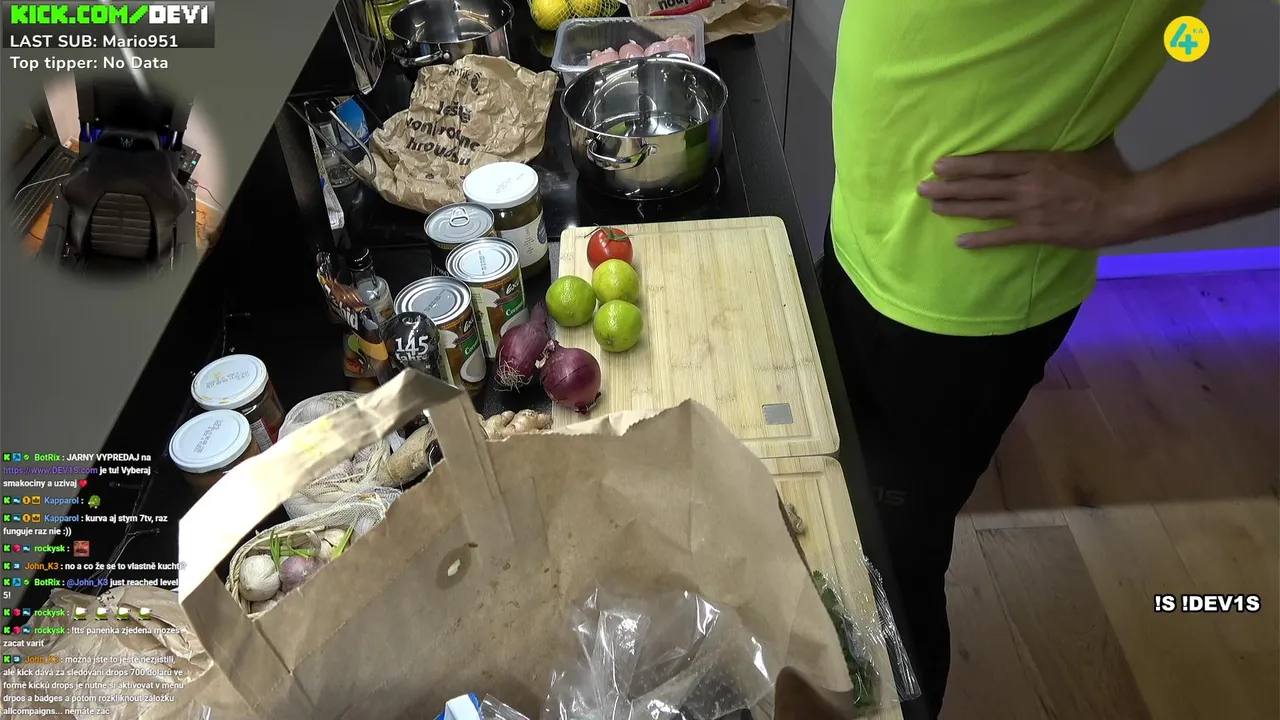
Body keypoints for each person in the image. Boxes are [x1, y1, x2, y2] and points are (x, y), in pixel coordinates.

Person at [821, 2, 1279, 717]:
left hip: (949, 307)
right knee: (838, 531)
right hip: (865, 233)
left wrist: (1137, 202)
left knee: (885, 577)